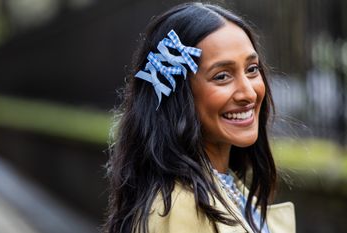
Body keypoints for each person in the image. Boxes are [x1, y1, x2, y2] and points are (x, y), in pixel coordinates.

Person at [104, 2, 295, 233]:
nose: (248, 93)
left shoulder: (223, 185)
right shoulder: (180, 208)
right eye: (222, 76)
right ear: (179, 95)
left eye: (252, 69)